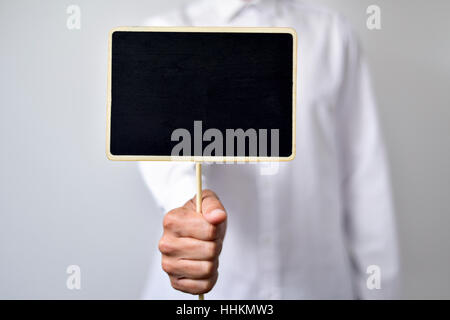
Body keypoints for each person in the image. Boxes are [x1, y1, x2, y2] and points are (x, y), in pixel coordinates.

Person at [139, 0, 400, 299]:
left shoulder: (332, 35)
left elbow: (365, 182)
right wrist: (190, 208)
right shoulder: (165, 33)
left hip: (318, 287)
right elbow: (164, 158)